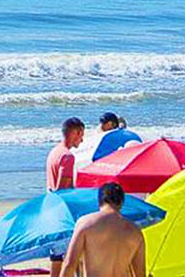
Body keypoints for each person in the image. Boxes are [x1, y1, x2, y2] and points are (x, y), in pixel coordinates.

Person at [61, 182, 146, 277]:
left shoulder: (86, 223)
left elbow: (69, 264)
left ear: (99, 201)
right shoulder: (135, 231)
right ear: (122, 202)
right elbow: (140, 273)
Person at [47, 117, 86, 277]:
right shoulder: (68, 157)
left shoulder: (54, 152)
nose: (82, 139)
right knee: (71, 256)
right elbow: (62, 189)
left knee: (57, 256)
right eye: (81, 134)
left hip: (50, 208)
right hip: (63, 212)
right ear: (75, 132)